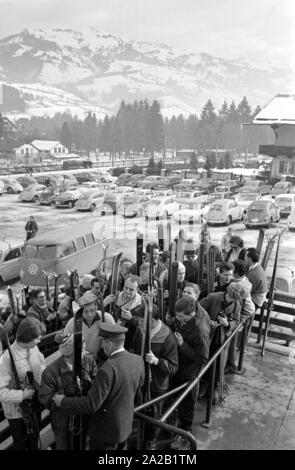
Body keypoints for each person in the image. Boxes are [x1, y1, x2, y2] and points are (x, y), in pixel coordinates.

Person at [53, 324, 145, 450]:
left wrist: (62, 401)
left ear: (110, 344)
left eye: (103, 342)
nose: (101, 346)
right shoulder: (138, 360)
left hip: (105, 434)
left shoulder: (107, 370)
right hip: (125, 427)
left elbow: (91, 404)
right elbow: (138, 387)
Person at [38, 334, 97, 450]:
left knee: (83, 444)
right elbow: (45, 399)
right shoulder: (50, 372)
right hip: (63, 422)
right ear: (69, 354)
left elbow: (96, 380)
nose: (85, 353)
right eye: (81, 351)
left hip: (84, 417)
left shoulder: (88, 361)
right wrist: (64, 394)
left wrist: (90, 384)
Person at [168, 296, 210, 450]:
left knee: (187, 402)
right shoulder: (185, 317)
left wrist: (182, 345)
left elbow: (202, 357)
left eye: (180, 317)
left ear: (190, 314)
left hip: (190, 371)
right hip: (179, 364)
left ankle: (185, 434)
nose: (177, 319)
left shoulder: (201, 330)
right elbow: (176, 322)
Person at [0, 318, 45, 450]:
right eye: (37, 338)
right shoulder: (6, 359)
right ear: (27, 337)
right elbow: (1, 392)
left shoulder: (33, 348)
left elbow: (41, 362)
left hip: (34, 404)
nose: (39, 341)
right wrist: (22, 394)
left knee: (35, 437)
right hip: (17, 412)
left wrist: (40, 374)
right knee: (21, 443)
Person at [200, 283, 241, 403]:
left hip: (222, 340)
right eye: (230, 297)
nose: (231, 300)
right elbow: (199, 308)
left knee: (218, 364)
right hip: (208, 337)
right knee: (205, 360)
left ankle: (214, 387)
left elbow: (237, 321)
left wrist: (227, 324)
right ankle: (204, 384)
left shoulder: (237, 304)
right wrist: (209, 321)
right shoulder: (213, 297)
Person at [64, 292, 115, 363]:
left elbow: (115, 339)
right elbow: (65, 344)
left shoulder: (107, 318)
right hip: (81, 361)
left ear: (96, 306)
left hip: (102, 360)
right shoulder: (72, 323)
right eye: (85, 311)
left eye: (92, 310)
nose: (89, 315)